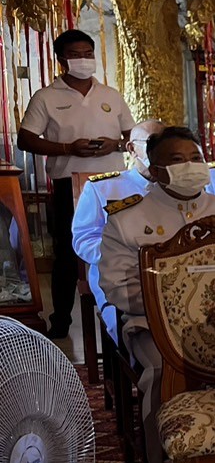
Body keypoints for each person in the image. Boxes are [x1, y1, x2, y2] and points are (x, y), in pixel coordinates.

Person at [99, 127, 215, 463]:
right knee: (162, 373)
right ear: (155, 171)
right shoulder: (126, 219)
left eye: (196, 158)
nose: (190, 166)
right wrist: (172, 309)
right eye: (177, 160)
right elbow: (117, 288)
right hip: (153, 327)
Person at [18, 28, 136, 338]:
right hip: (68, 185)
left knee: (119, 246)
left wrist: (117, 145)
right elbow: (25, 138)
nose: (84, 60)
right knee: (67, 254)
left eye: (88, 54)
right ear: (61, 61)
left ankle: (123, 311)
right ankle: (60, 322)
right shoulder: (46, 96)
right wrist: (67, 148)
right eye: (75, 55)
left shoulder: (110, 95)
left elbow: (132, 136)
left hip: (113, 185)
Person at [73, 121, 161, 340]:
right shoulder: (103, 187)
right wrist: (125, 257)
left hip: (170, 276)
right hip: (120, 278)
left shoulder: (180, 188)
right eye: (153, 142)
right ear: (132, 149)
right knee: (142, 336)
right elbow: (84, 240)